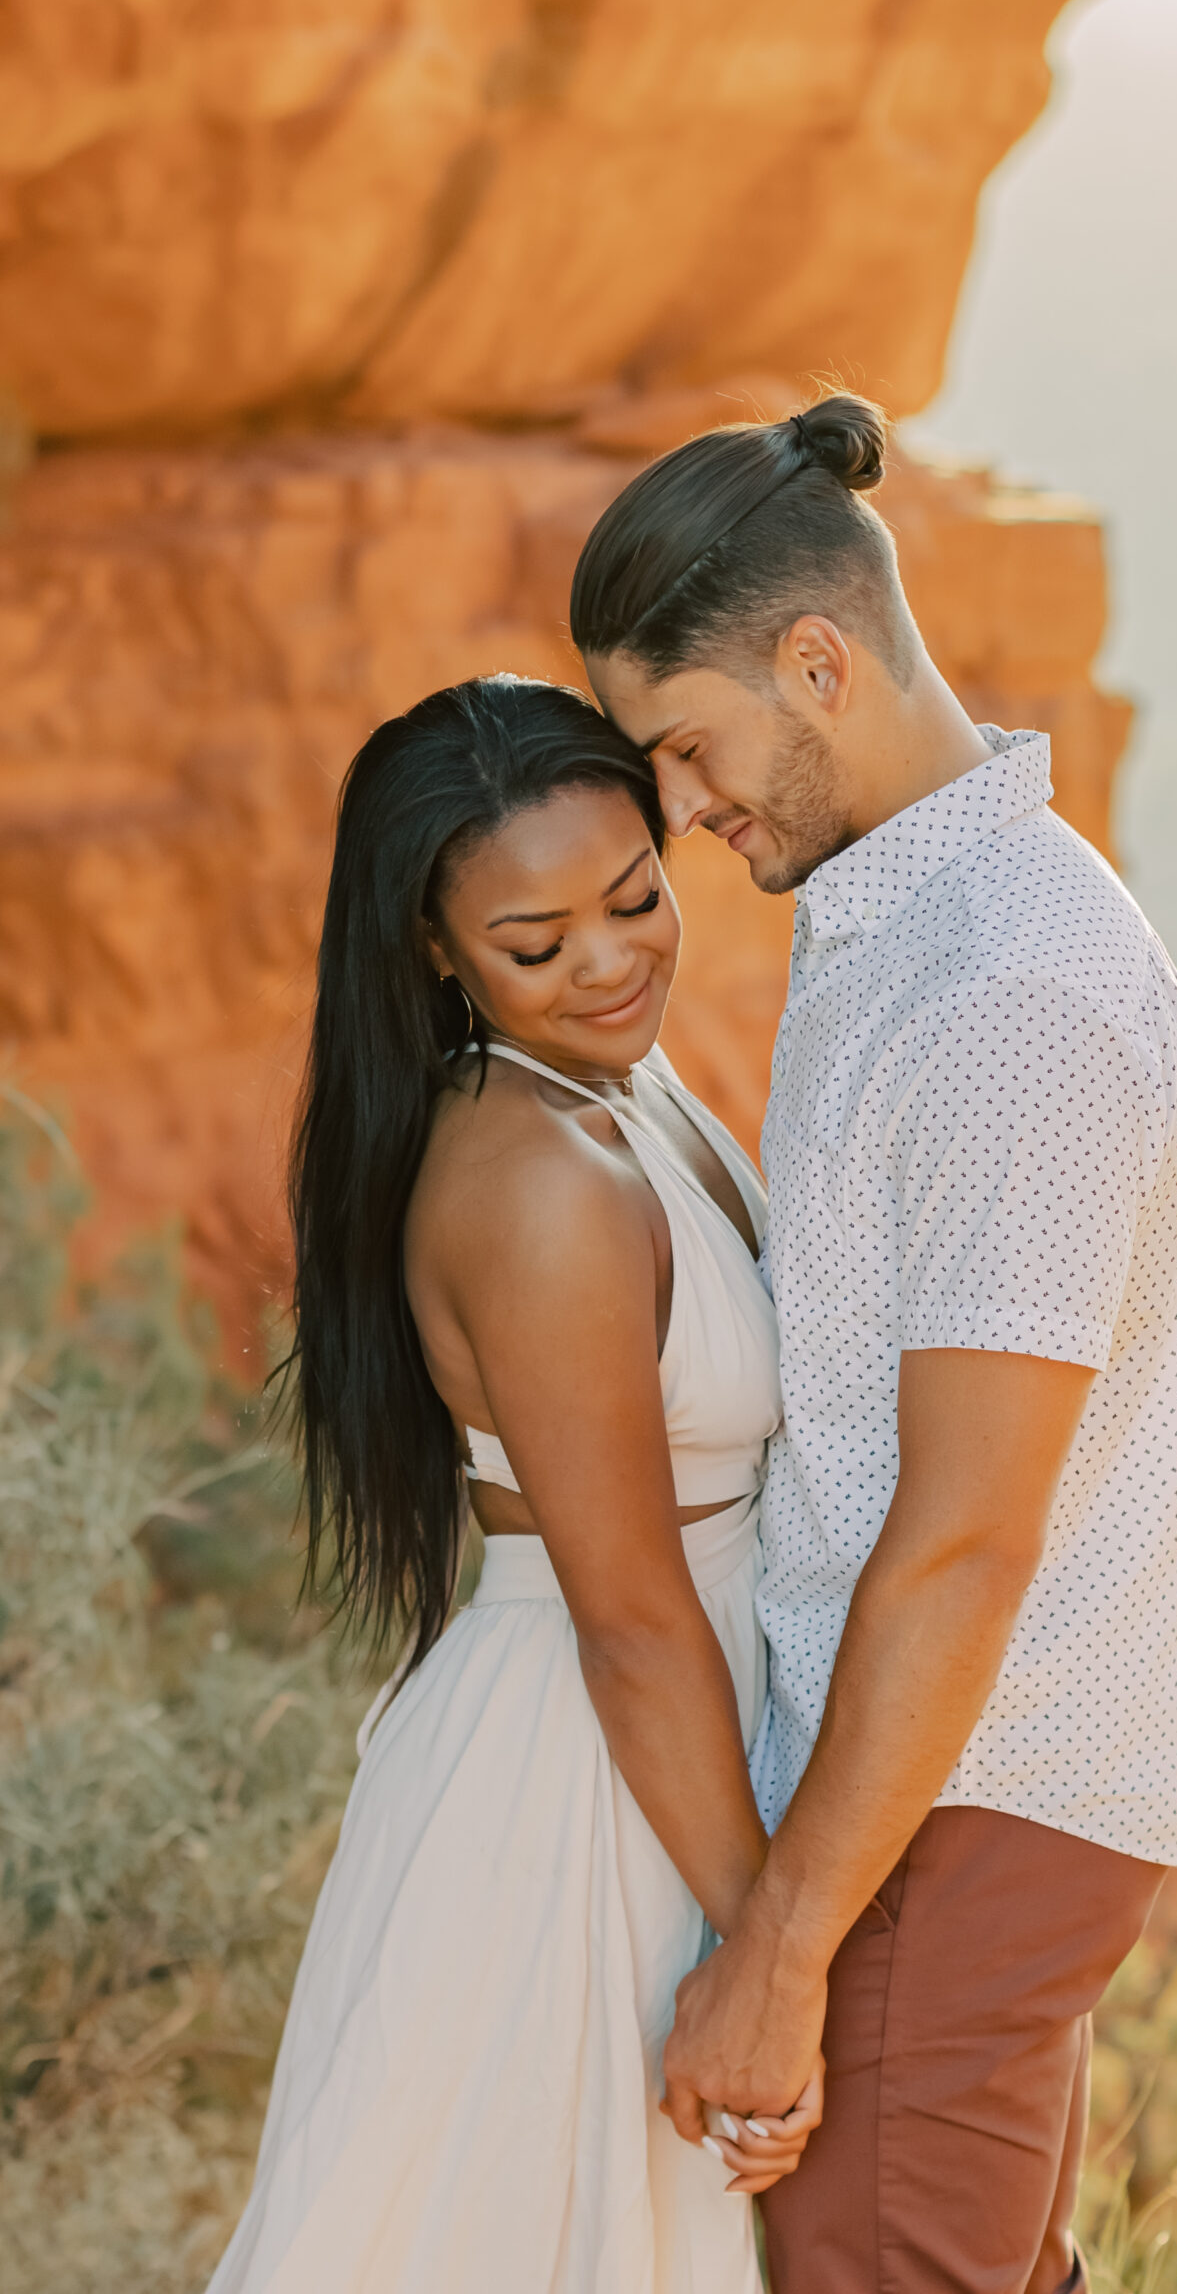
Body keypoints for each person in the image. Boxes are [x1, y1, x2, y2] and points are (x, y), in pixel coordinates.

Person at [574, 395, 1177, 2294]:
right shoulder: (919, 932)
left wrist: (783, 1954)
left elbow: (966, 1534)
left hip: (947, 1820)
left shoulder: (1007, 998)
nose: (686, 809)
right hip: (932, 1812)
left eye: (690, 748)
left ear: (817, 661)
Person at [207, 674, 817, 2294]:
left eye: (635, 899)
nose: (610, 964)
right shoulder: (537, 1180)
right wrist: (774, 1954)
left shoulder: (620, 1088)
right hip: (587, 1788)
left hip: (659, 1751)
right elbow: (630, 1617)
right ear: (434, 950)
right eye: (536, 947)